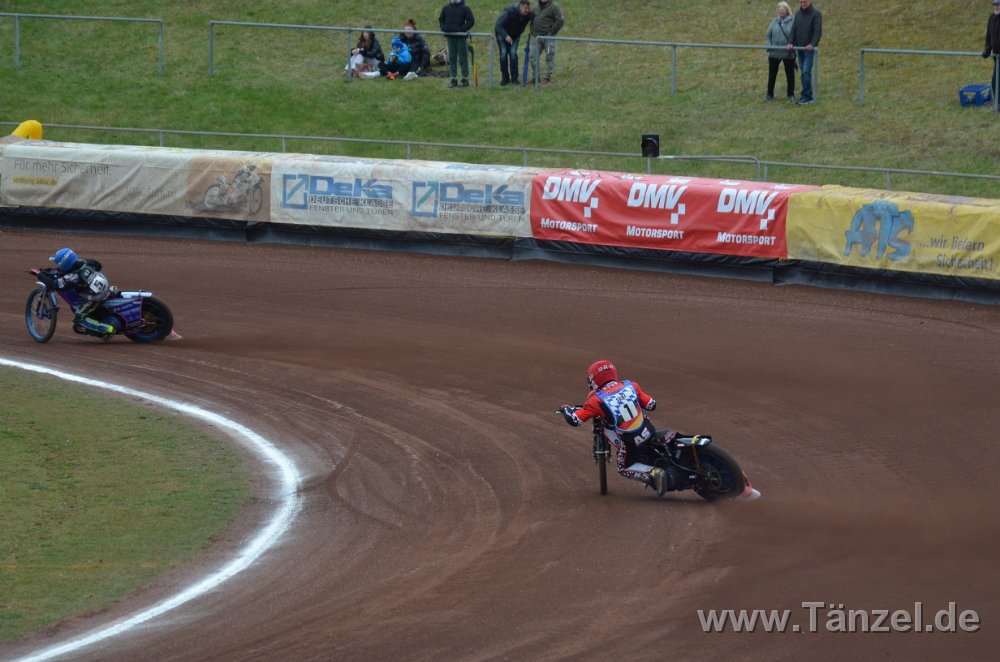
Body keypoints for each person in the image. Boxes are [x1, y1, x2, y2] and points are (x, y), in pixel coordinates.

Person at [559, 360, 669, 496]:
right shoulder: (631, 385)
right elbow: (652, 405)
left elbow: (575, 420)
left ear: (595, 379)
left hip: (630, 441)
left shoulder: (596, 400)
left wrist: (565, 409)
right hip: (648, 431)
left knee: (623, 469)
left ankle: (654, 474)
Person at [48, 248, 115, 340]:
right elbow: (98, 265)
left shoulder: (73, 276)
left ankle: (106, 329)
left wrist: (39, 274)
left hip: (96, 298)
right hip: (106, 288)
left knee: (79, 317)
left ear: (64, 264)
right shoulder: (84, 263)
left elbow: (55, 285)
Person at [788, 0, 821, 105]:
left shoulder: (816, 14)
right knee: (803, 71)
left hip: (809, 49)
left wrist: (812, 44)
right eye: (801, 2)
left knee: (806, 71)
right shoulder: (797, 14)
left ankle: (806, 96)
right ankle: (807, 95)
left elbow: (817, 31)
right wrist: (790, 42)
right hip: (800, 48)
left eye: (805, 1)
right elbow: (793, 29)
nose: (803, 3)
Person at [439, 0, 475, 88]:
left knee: (463, 58)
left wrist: (462, 29)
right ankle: (453, 80)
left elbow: (471, 21)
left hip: (460, 38)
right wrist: (444, 28)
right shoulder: (446, 8)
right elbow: (441, 20)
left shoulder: (465, 8)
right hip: (450, 38)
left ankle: (465, 79)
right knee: (452, 58)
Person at [495, 0, 533, 86]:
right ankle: (505, 77)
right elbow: (498, 24)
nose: (527, 10)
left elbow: (535, 20)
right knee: (503, 54)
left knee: (513, 54)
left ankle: (514, 77)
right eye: (525, 8)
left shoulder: (528, 15)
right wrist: (506, 36)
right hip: (502, 35)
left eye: (528, 8)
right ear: (520, 7)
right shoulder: (509, 11)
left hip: (515, 36)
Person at [765, 2, 796, 102]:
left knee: (790, 75)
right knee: (772, 74)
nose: (781, 11)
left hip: (788, 53)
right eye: (779, 9)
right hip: (774, 53)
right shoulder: (774, 21)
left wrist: (792, 45)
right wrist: (769, 47)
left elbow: (795, 35)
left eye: (783, 9)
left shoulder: (792, 21)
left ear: (787, 10)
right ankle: (769, 94)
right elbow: (768, 35)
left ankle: (790, 95)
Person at [529, 0, 564, 85]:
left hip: (548, 37)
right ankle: (535, 77)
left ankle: (547, 78)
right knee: (532, 56)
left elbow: (560, 20)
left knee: (549, 56)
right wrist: (532, 31)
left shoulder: (554, 6)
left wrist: (551, 32)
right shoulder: (536, 7)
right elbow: (532, 19)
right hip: (536, 37)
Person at [983, 0, 1000, 103]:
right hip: (996, 56)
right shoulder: (991, 18)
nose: (997, 7)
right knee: (995, 81)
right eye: (995, 5)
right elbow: (989, 36)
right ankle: (998, 104)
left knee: (996, 80)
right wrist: (987, 49)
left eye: (998, 5)